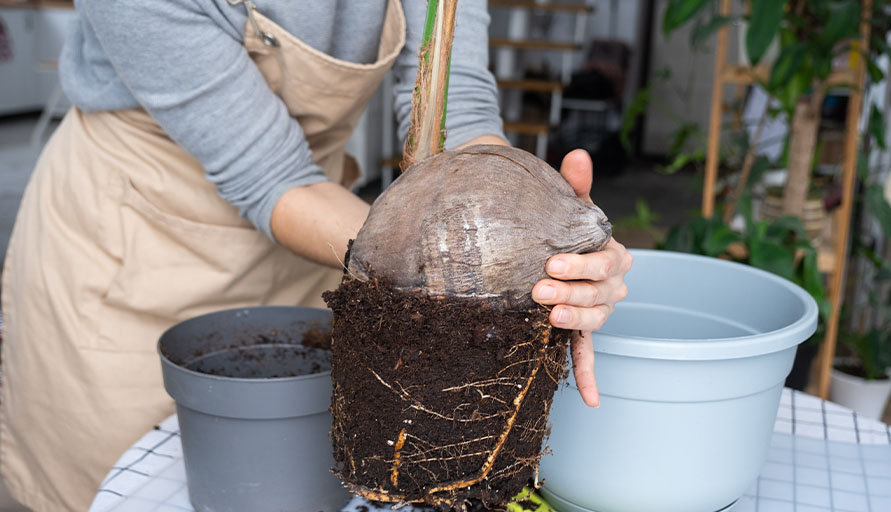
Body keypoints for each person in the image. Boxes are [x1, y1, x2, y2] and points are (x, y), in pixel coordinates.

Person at [0, 0, 632, 510]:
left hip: (332, 241)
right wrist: (469, 270)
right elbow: (269, 175)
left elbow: (454, 113)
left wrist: (533, 236)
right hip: (138, 237)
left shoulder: (377, 253)